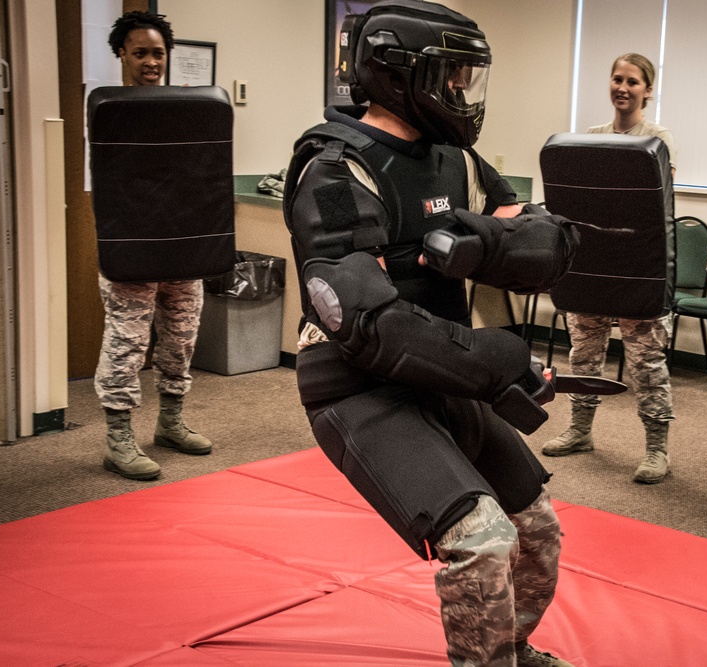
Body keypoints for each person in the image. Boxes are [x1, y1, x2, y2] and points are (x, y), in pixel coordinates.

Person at [282, 2, 578, 665]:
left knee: (537, 530)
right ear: (399, 75)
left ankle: (508, 645)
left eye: (467, 78)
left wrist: (484, 241)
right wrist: (494, 361)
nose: (461, 94)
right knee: (481, 538)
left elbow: (551, 236)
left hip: (439, 370)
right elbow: (362, 320)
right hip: (357, 385)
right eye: (451, 76)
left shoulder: (455, 159)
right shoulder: (335, 166)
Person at [541, 53, 676, 485]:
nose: (623, 87)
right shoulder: (590, 138)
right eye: (616, 78)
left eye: (632, 81)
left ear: (647, 90)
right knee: (583, 357)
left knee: (646, 365)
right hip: (592, 263)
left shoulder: (657, 138)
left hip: (637, 267)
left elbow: (651, 206)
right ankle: (581, 430)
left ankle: (657, 449)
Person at [96, 11, 213, 481]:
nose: (150, 61)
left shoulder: (188, 108)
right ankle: (118, 439)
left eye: (158, 53)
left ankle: (169, 423)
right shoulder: (110, 110)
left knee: (181, 337)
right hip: (133, 243)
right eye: (140, 52)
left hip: (182, 238)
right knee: (127, 341)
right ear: (121, 53)